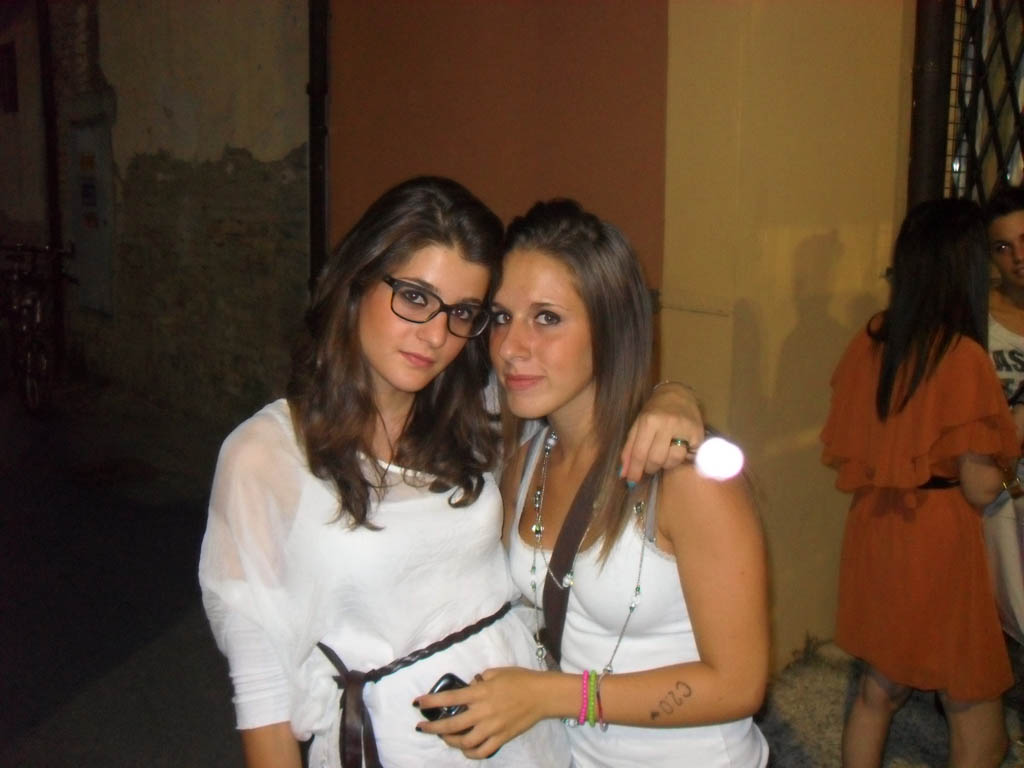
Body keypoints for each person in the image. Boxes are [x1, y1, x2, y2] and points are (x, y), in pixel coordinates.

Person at [198, 177, 703, 768]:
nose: (436, 335)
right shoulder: (266, 456)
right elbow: (262, 691)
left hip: (529, 740)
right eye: (415, 297)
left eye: (462, 312)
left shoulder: (481, 412)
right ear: (358, 280)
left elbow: (587, 385)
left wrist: (673, 395)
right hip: (394, 746)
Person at [415, 199, 770, 767]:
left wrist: (550, 696)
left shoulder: (686, 480)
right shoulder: (526, 461)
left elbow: (739, 685)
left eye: (547, 318)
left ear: (610, 328)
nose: (511, 348)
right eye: (502, 318)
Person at [820, 198, 1024, 768]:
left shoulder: (871, 340)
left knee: (878, 688)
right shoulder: (963, 357)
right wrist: (1013, 455)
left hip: (875, 525)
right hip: (937, 537)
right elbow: (981, 488)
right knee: (974, 705)